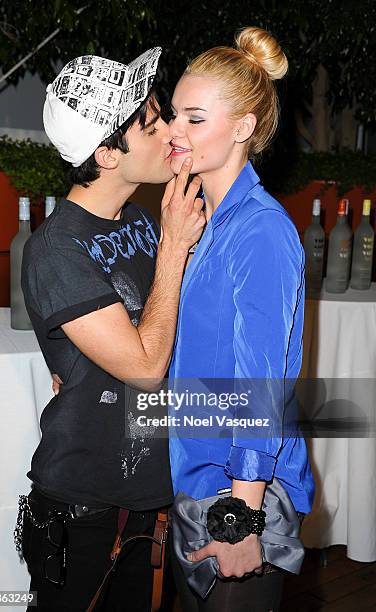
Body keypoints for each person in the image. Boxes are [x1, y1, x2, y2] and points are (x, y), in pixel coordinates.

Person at [18, 48, 205, 611]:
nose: (169, 130)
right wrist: (175, 248)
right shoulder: (56, 249)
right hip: (88, 509)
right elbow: (147, 366)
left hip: (149, 498)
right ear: (105, 153)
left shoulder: (144, 219)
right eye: (150, 124)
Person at [165, 27, 315, 611]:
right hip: (198, 482)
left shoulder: (261, 230)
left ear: (244, 129)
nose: (175, 131)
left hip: (241, 495)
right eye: (176, 114)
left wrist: (238, 521)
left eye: (195, 119)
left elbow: (260, 387)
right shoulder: (197, 217)